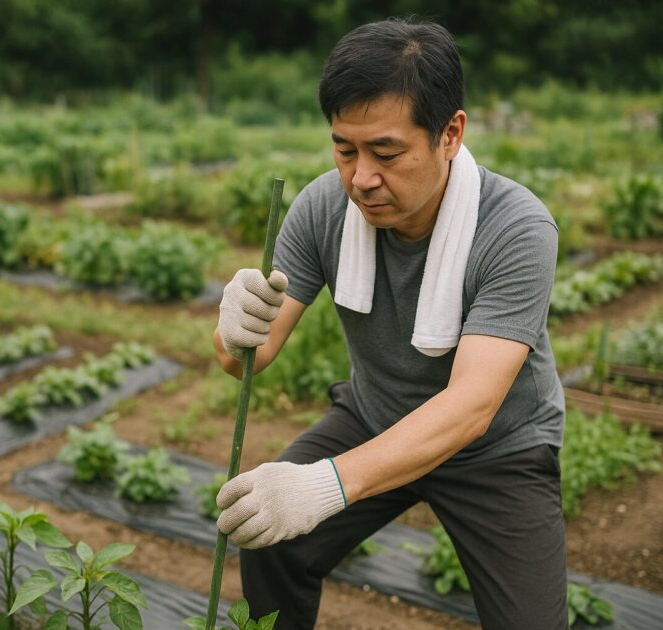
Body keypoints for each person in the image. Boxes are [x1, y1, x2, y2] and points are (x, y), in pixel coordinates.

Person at [212, 17, 567, 630]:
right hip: (374, 415)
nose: (360, 178)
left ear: (450, 134)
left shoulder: (515, 229)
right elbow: (247, 355)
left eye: (386, 152)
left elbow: (471, 407)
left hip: (496, 449)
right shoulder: (323, 206)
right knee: (266, 537)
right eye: (344, 149)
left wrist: (320, 488)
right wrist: (235, 324)